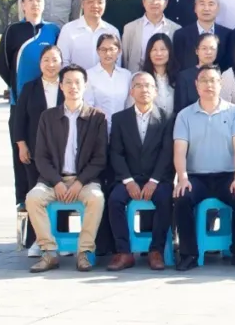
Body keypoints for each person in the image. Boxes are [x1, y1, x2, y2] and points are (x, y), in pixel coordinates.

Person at [25, 64, 108, 273]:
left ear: (85, 85)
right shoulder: (48, 117)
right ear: (60, 86)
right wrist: (57, 182)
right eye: (68, 82)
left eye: (78, 82)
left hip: (84, 181)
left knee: (96, 198)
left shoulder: (97, 117)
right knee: (33, 198)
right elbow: (41, 157)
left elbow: (99, 159)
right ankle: (49, 251)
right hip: (53, 181)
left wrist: (79, 182)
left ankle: (84, 252)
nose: (73, 87)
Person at [172, 64, 235, 271]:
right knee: (182, 198)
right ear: (196, 85)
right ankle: (188, 254)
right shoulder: (185, 115)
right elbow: (180, 150)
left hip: (227, 176)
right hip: (196, 177)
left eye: (213, 80)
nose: (208, 85)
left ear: (221, 84)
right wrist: (182, 177)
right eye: (204, 80)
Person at [0, 0, 62, 219]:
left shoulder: (53, 30)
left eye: (39, 0)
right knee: (23, 152)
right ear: (23, 5)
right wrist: (18, 86)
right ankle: (23, 200)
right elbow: (3, 64)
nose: (35, 4)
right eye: (30, 0)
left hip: (51, 100)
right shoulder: (13, 31)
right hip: (22, 101)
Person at [105, 72, 175, 271]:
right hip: (130, 177)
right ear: (131, 91)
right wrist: (128, 181)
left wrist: (154, 180)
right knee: (115, 200)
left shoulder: (167, 118)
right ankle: (124, 252)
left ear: (155, 91)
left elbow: (167, 153)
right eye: (139, 86)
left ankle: (156, 250)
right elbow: (116, 153)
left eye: (148, 86)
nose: (144, 90)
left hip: (157, 178)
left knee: (165, 199)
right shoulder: (120, 118)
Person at [12, 45, 65, 256]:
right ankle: (37, 240)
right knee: (35, 192)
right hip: (35, 150)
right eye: (46, 60)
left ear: (62, 63)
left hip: (62, 151)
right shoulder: (30, 88)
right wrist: (21, 145)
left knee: (62, 193)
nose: (51, 65)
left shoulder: (68, 85)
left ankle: (61, 238)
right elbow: (19, 119)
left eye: (55, 60)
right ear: (40, 64)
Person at [56, 0, 120, 69]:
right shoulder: (68, 29)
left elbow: (117, 63)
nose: (95, 6)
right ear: (82, 4)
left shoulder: (112, 31)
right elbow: (63, 62)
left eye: (100, 2)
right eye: (90, 1)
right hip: (76, 77)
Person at [121, 0, 180, 71]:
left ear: (166, 3)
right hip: (137, 76)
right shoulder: (130, 28)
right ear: (143, 1)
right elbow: (124, 59)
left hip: (166, 77)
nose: (154, 2)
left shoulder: (176, 29)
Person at [172, 0, 232, 70]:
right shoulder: (181, 35)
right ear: (195, 8)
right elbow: (177, 66)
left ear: (218, 8)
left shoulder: (228, 35)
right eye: (202, 4)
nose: (206, 8)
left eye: (211, 4)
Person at [84, 34, 133, 133]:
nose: (108, 53)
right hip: (97, 129)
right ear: (97, 51)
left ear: (119, 51)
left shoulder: (126, 75)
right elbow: (88, 106)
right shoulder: (89, 75)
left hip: (122, 130)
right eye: (103, 49)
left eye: (112, 49)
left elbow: (129, 104)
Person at [176, 33, 219, 114]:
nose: (208, 52)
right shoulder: (184, 76)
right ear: (196, 51)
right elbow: (180, 109)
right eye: (204, 48)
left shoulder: (222, 74)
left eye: (212, 48)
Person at [142, 33, 178, 117]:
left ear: (169, 52)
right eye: (154, 49)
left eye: (163, 49)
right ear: (149, 53)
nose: (159, 53)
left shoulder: (178, 78)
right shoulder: (142, 78)